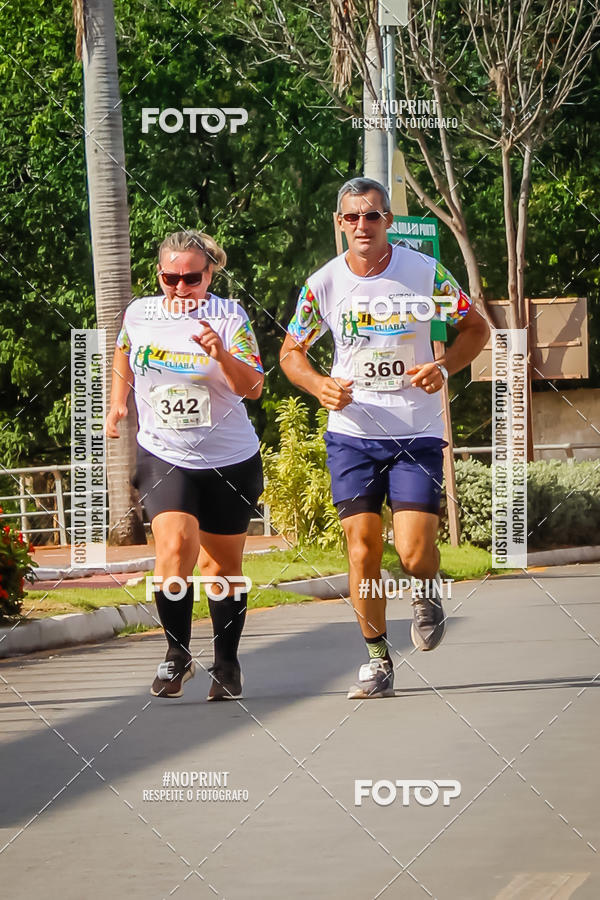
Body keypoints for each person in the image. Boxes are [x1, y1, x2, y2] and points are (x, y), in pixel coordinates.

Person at [280, 177, 489, 699]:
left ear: (388, 220)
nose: (360, 226)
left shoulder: (421, 273)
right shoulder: (323, 284)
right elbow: (290, 353)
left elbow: (477, 330)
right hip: (352, 434)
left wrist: (443, 366)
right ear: (338, 223)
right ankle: (377, 660)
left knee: (417, 552)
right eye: (350, 217)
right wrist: (319, 385)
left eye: (371, 216)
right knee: (362, 551)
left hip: (414, 431)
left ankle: (425, 590)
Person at [106, 230, 264, 700]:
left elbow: (253, 386)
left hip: (229, 458)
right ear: (159, 275)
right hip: (164, 452)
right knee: (174, 549)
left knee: (221, 569)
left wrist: (220, 355)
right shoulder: (141, 313)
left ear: (209, 273)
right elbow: (122, 351)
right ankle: (177, 656)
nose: (179, 287)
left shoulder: (230, 316)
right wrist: (118, 403)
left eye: (190, 278)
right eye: (169, 277)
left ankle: (227, 664)